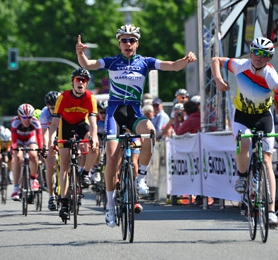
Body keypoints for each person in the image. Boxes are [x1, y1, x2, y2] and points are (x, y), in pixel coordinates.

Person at [75, 24, 197, 227]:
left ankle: (140, 178)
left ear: (137, 43)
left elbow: (172, 66)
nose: (128, 43)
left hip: (133, 112)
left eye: (132, 40)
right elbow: (88, 64)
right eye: (124, 40)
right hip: (115, 113)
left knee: (150, 132)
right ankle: (110, 206)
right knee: (112, 158)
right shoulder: (112, 61)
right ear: (119, 43)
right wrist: (80, 54)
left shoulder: (145, 62)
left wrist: (185, 61)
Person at [211, 37, 278, 226]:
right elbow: (216, 60)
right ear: (251, 53)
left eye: (265, 55)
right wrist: (218, 78)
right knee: (245, 144)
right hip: (241, 115)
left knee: (266, 161)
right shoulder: (240, 65)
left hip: (263, 117)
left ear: (269, 58)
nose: (259, 57)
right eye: (256, 53)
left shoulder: (271, 76)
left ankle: (272, 212)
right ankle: (242, 177)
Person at [48, 68, 99, 221]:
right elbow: (54, 124)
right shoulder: (63, 98)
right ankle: (64, 202)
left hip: (81, 124)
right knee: (64, 163)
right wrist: (51, 141)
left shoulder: (91, 98)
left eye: (84, 80)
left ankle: (85, 173)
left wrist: (94, 138)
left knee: (95, 147)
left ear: (87, 84)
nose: (81, 82)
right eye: (78, 79)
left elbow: (93, 123)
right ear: (73, 82)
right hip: (65, 125)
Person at [10, 103, 43, 201]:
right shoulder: (14, 122)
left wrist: (41, 150)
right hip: (19, 140)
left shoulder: (36, 122)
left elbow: (39, 139)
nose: (27, 120)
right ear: (19, 116)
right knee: (18, 157)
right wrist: (15, 149)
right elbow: (14, 140)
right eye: (24, 117)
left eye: (30, 117)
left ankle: (33, 179)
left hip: (30, 139)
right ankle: (16, 188)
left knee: (33, 154)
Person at [39, 90, 60, 211]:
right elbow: (45, 133)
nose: (55, 110)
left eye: (57, 107)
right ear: (47, 106)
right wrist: (46, 148)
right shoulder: (45, 113)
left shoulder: (64, 110)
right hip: (51, 135)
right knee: (50, 164)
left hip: (62, 133)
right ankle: (51, 196)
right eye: (52, 108)